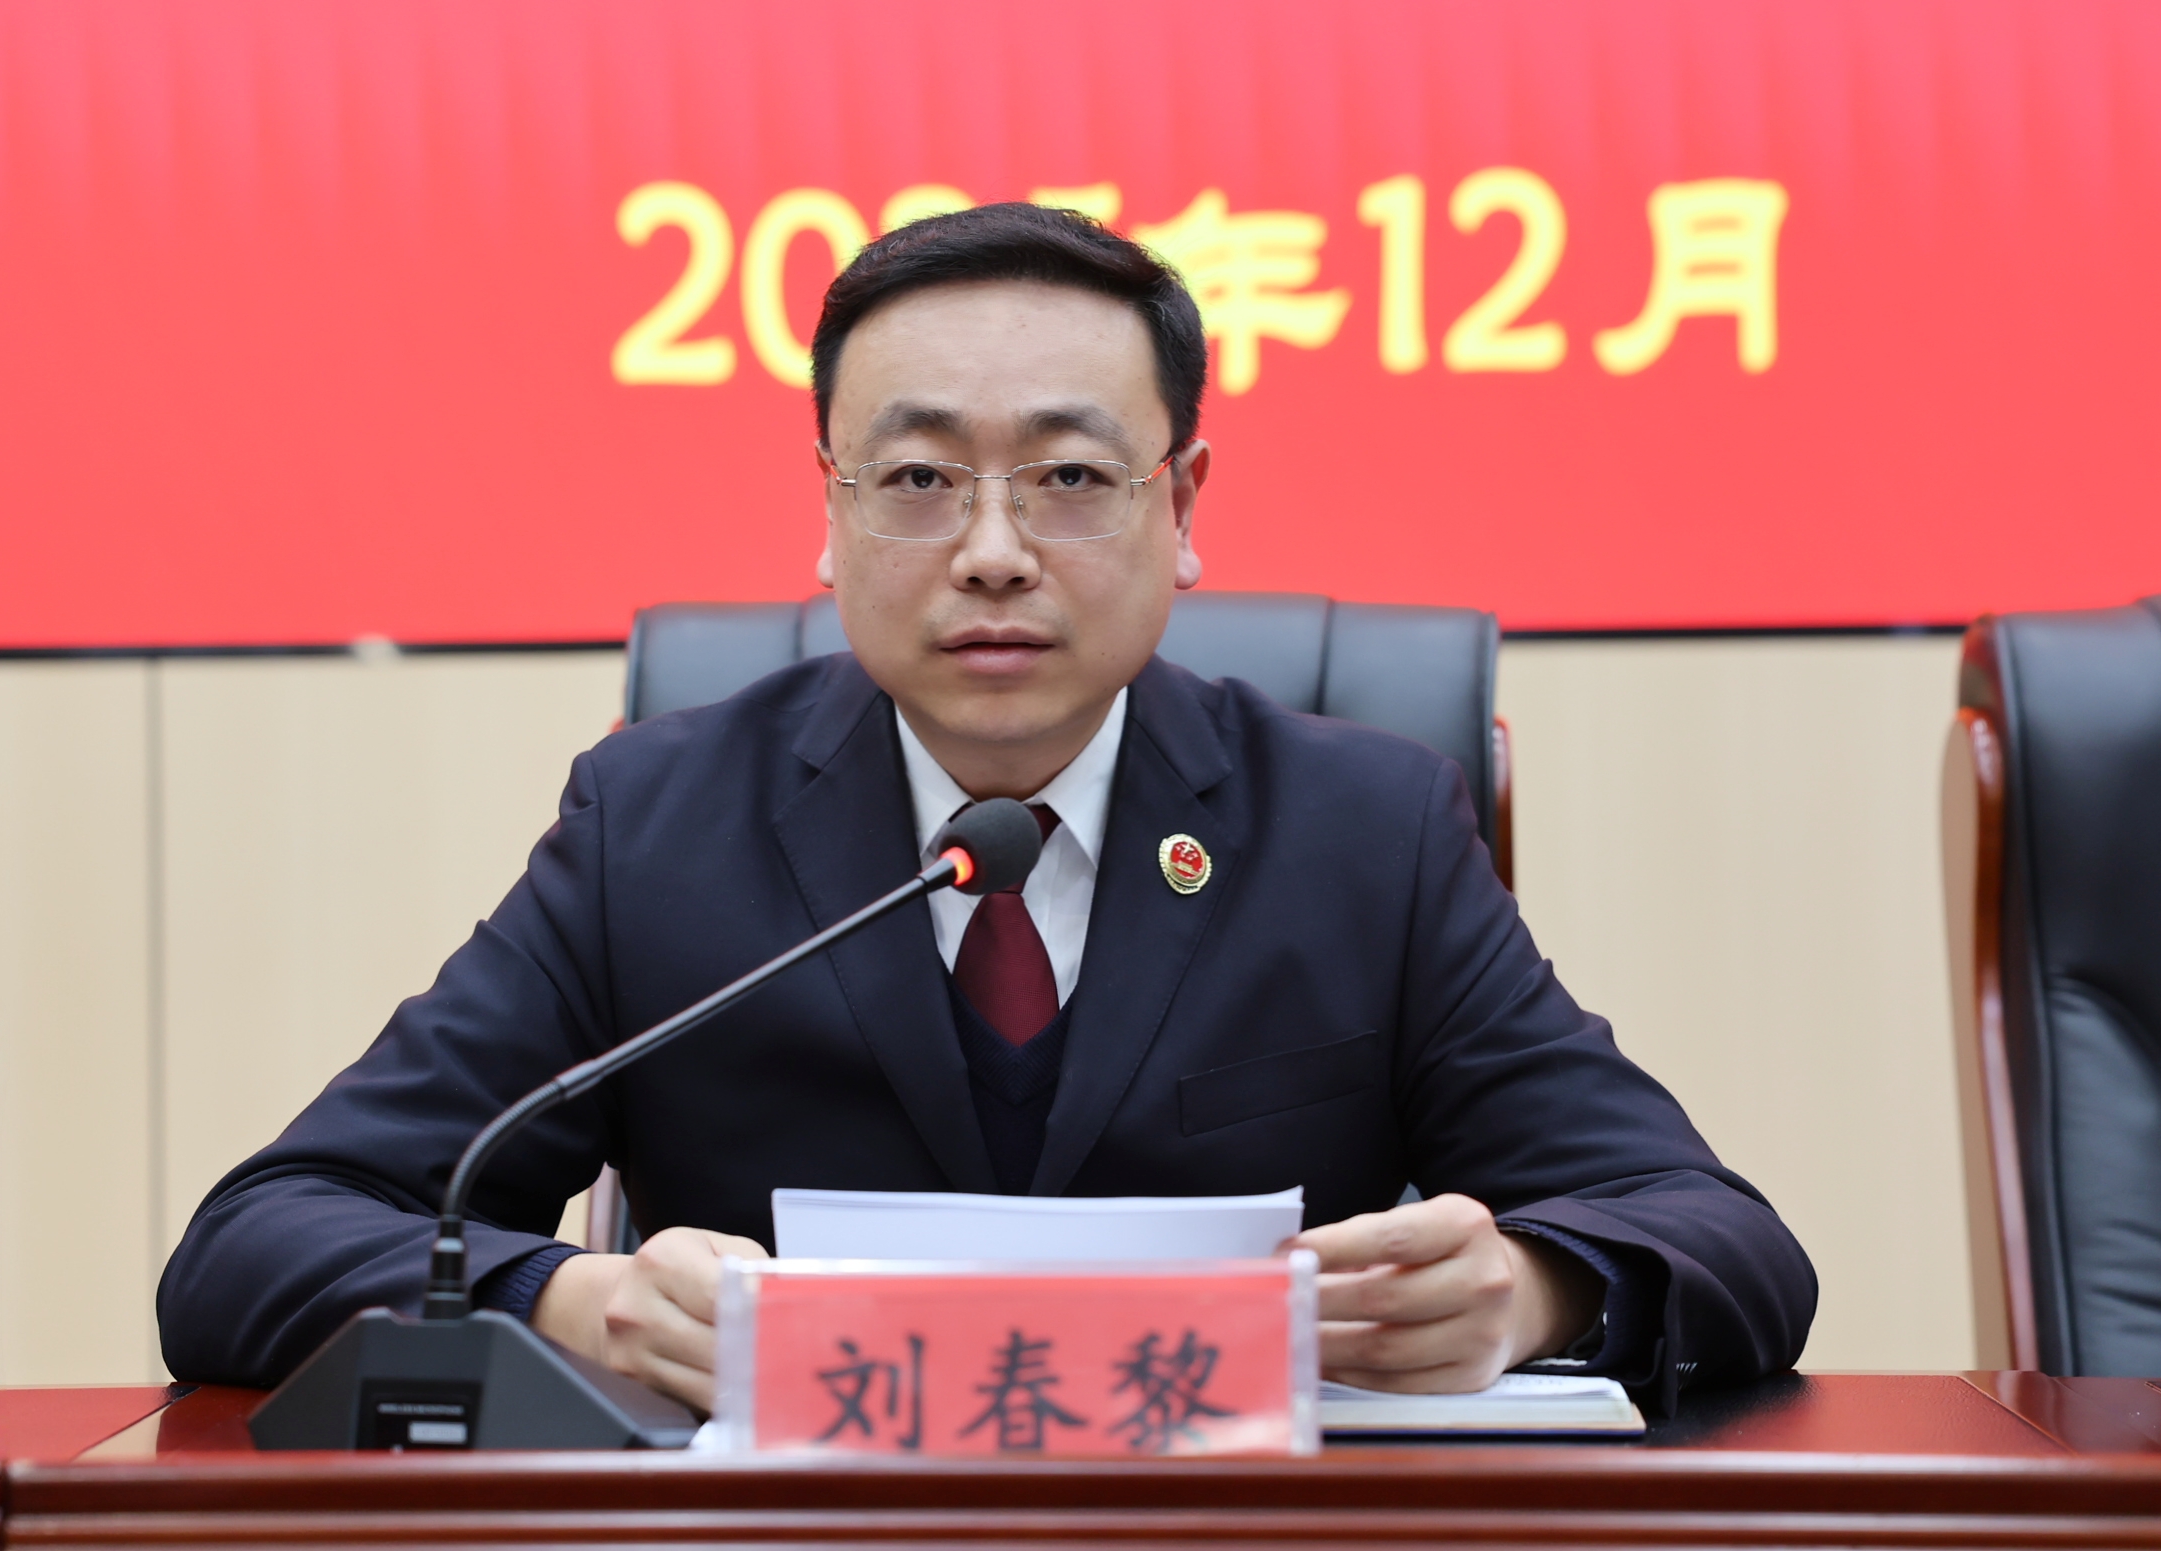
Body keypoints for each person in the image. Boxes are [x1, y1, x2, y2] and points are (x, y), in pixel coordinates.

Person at [158, 204, 1815, 1415]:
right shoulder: (656, 825)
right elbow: (257, 1246)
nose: (996, 552)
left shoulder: (1361, 831)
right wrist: (569, 1300)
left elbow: (1726, 1243)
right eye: (918, 480)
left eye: (1073, 478)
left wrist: (1531, 1291)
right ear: (829, 512)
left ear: (1183, 506)